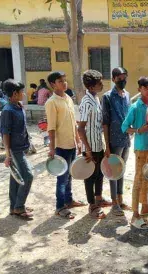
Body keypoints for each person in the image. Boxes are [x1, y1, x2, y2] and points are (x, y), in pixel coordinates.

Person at [45, 71, 84, 219]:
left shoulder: (67, 98)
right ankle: (60, 206)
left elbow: (73, 122)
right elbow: (51, 128)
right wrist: (52, 148)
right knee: (62, 177)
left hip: (71, 144)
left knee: (69, 175)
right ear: (53, 84)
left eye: (64, 80)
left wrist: (78, 140)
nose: (64, 83)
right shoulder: (51, 102)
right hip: (60, 146)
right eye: (60, 81)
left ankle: (69, 199)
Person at [121, 77, 148, 229]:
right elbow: (124, 127)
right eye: (146, 88)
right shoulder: (135, 107)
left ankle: (145, 207)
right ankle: (135, 215)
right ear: (140, 89)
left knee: (147, 177)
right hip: (141, 148)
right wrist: (138, 130)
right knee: (138, 179)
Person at [1, 79, 34, 219]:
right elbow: (5, 133)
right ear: (14, 93)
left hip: (21, 147)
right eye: (21, 92)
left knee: (16, 178)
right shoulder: (8, 110)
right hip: (15, 150)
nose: (24, 94)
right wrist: (8, 154)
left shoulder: (18, 106)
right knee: (27, 176)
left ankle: (14, 206)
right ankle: (19, 207)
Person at [77, 70, 107, 219]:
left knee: (99, 174)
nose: (102, 84)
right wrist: (87, 149)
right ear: (91, 87)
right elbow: (80, 128)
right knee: (90, 176)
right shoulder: (86, 102)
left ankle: (99, 198)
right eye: (99, 83)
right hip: (90, 147)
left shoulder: (96, 99)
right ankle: (92, 205)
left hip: (98, 145)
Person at [102, 67, 131, 213]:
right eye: (119, 78)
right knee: (113, 171)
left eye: (124, 77)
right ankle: (114, 202)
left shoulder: (127, 95)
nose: (122, 80)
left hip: (126, 139)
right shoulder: (107, 97)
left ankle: (120, 199)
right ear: (113, 79)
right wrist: (107, 145)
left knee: (122, 169)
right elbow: (105, 123)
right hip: (114, 140)